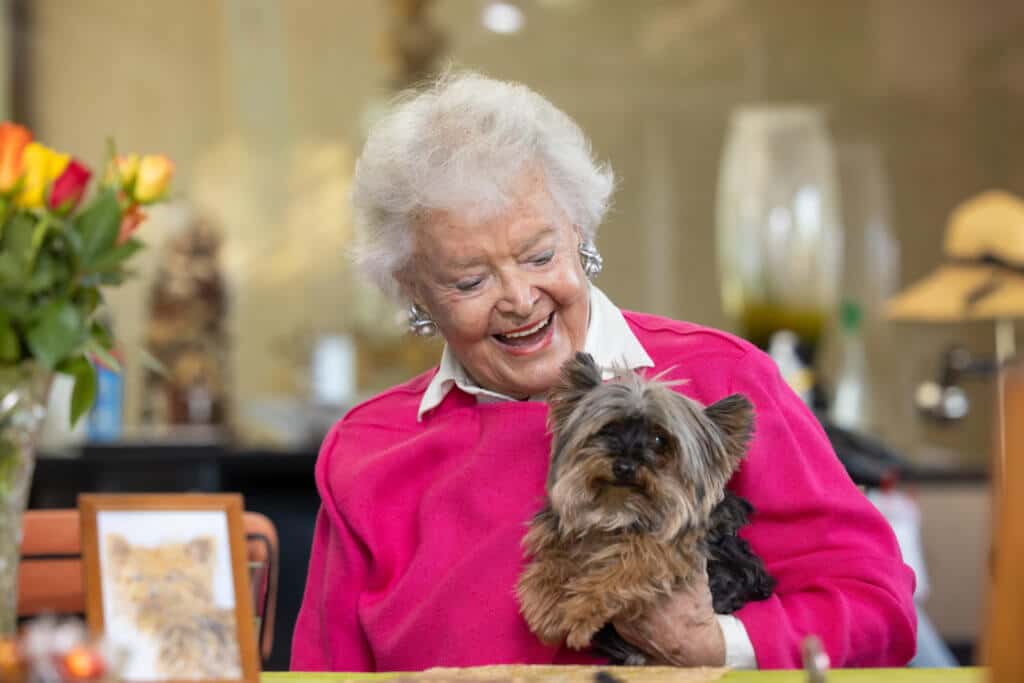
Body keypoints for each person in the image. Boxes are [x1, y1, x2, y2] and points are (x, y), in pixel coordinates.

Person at [290, 72, 916, 671]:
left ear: (581, 232)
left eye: (540, 255)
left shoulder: (720, 380)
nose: (518, 297)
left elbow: (877, 609)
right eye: (470, 280)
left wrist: (715, 643)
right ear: (412, 289)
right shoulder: (368, 452)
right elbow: (321, 673)